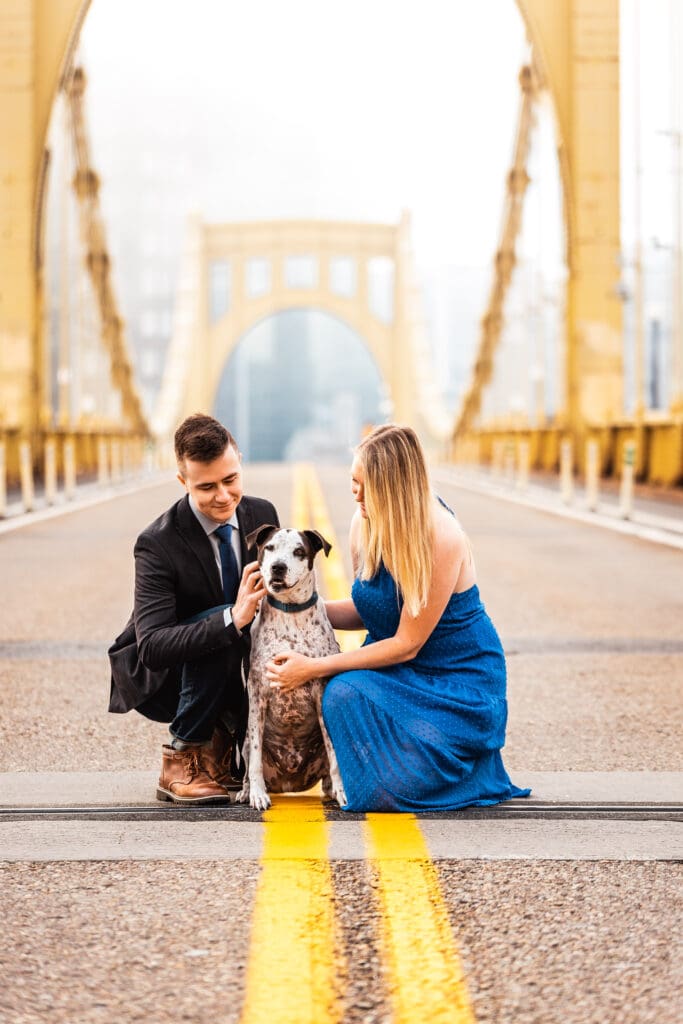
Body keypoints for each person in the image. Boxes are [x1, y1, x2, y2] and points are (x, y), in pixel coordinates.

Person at [266, 423, 530, 812]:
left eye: (363, 484)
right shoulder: (364, 522)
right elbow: (370, 609)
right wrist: (290, 606)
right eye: (352, 480)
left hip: (456, 679)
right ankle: (413, 765)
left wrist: (313, 667)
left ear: (392, 487)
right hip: (401, 671)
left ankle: (458, 769)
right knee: (341, 695)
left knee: (340, 687)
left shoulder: (442, 537)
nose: (353, 492)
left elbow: (407, 643)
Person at [108, 413, 279, 804]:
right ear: (183, 482)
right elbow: (151, 646)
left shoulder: (262, 515)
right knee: (223, 622)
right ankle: (180, 757)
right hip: (165, 677)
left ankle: (220, 744)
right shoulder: (157, 543)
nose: (223, 496)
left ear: (239, 462)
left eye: (231, 479)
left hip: (228, 671)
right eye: (206, 486)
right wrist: (231, 620)